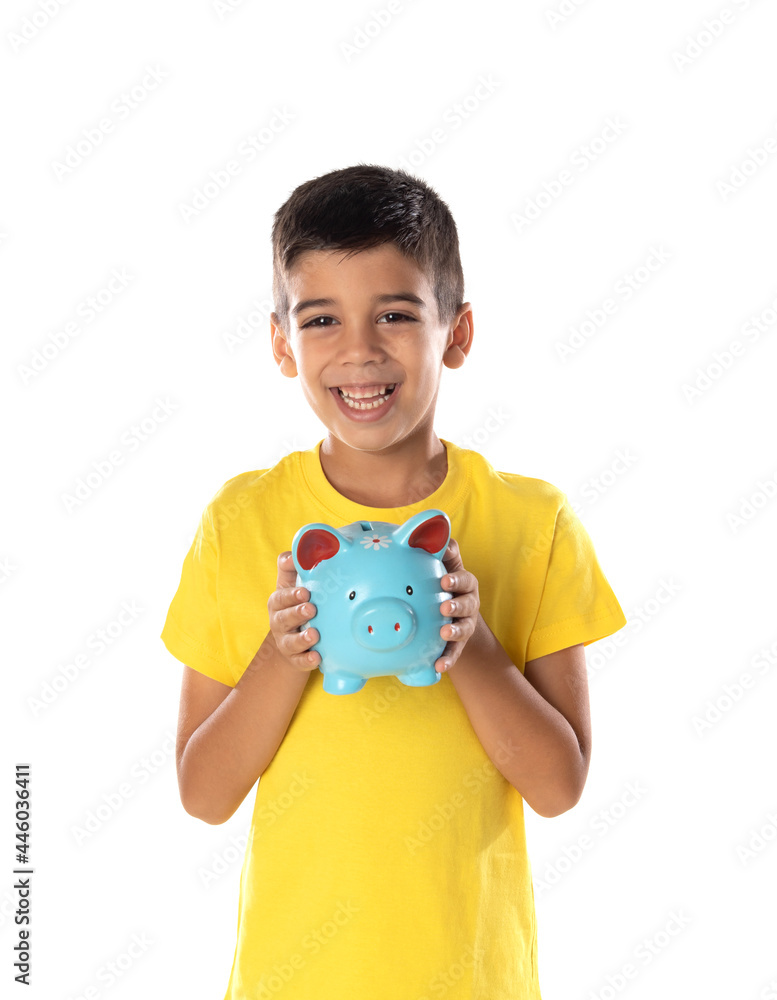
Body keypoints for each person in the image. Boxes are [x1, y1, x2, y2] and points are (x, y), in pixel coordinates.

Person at [161, 163, 628, 999]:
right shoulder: (240, 523)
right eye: (321, 319)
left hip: (475, 980)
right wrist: (284, 650)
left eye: (396, 314)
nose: (359, 352)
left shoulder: (533, 522)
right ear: (281, 344)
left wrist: (470, 642)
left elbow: (558, 788)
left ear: (457, 332)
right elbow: (203, 794)